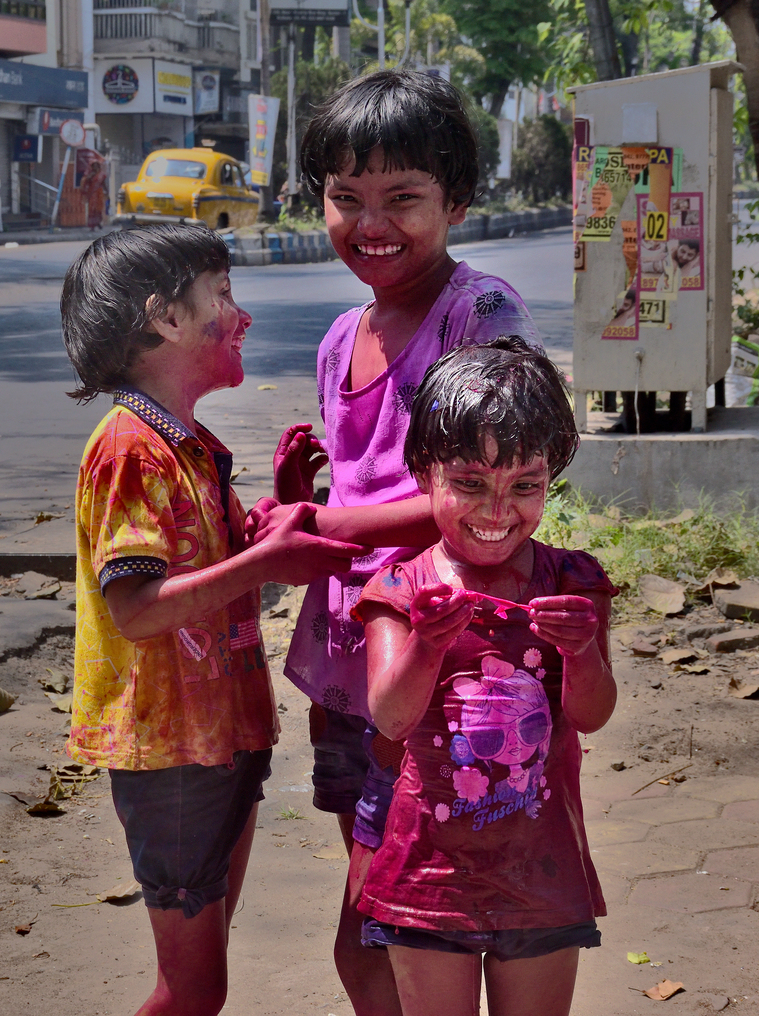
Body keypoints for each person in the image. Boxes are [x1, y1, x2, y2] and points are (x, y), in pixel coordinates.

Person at [248, 70, 541, 1015]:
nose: (370, 224)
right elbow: (370, 484)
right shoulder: (343, 336)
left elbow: (489, 492)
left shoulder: (478, 315)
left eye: (402, 197)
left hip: (448, 664)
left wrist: (330, 526)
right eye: (347, 197)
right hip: (348, 665)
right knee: (379, 916)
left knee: (422, 918)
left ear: (457, 200)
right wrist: (305, 503)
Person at [60, 223, 365, 1016]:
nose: (242, 316)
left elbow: (211, 570)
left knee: (202, 979)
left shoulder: (185, 442)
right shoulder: (130, 449)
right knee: (193, 989)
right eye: (222, 295)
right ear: (166, 318)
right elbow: (137, 609)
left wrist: (280, 511)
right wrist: (267, 562)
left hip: (218, 737)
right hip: (171, 755)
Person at [353, 338, 618, 1016]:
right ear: (425, 474)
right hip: (428, 876)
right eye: (470, 484)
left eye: (525, 486)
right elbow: (391, 717)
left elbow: (591, 715)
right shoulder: (400, 589)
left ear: (551, 475)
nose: (497, 512)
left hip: (541, 872)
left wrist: (583, 651)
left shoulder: (573, 582)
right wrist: (426, 644)